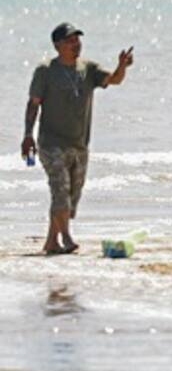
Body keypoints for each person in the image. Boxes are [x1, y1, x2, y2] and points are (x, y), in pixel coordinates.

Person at [22, 22, 133, 255]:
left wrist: (122, 66)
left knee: (71, 198)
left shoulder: (89, 69)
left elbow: (114, 80)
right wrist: (27, 135)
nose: (76, 44)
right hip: (51, 144)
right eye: (70, 41)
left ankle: (51, 242)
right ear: (57, 45)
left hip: (79, 144)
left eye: (77, 40)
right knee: (60, 191)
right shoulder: (45, 71)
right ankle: (66, 237)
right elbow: (33, 105)